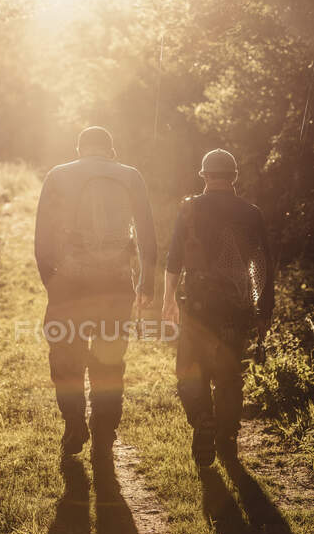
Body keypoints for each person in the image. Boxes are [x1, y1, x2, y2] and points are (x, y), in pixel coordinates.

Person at [35, 126, 157, 457]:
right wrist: (146, 283)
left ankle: (74, 422)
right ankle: (104, 425)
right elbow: (147, 235)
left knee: (66, 356)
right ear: (111, 151)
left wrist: (53, 283)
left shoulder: (58, 175)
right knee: (110, 355)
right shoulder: (131, 176)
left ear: (79, 149)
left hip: (70, 285)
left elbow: (42, 238)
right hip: (116, 285)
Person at [162, 149, 274, 467]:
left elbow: (173, 260)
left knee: (189, 370)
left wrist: (168, 300)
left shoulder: (190, 208)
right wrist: (263, 310)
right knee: (228, 375)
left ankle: (202, 419)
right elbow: (263, 265)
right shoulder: (251, 213)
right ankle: (226, 437)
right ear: (234, 177)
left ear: (205, 176)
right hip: (236, 307)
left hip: (198, 306)